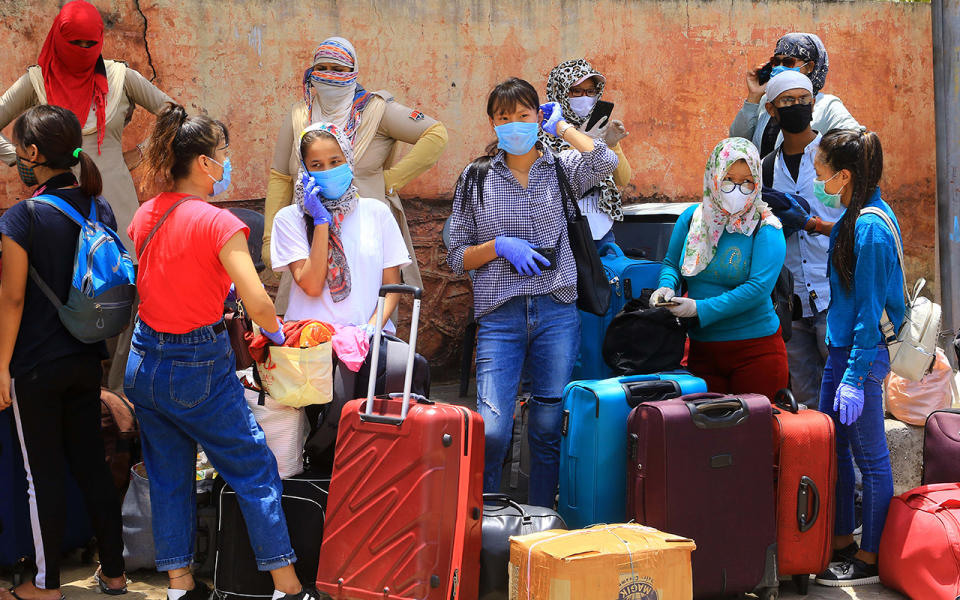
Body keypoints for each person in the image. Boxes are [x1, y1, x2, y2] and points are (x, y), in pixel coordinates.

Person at [123, 103, 312, 600]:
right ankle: (288, 588)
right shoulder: (217, 223)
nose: (226, 163)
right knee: (253, 468)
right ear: (205, 163)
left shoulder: (145, 214)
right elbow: (258, 302)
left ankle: (180, 586)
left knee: (168, 477)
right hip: (197, 365)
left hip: (144, 362)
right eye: (223, 153)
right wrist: (274, 337)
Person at [447, 77, 618, 508]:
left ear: (536, 116)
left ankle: (541, 517)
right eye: (504, 118)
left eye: (523, 115)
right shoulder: (476, 177)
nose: (514, 124)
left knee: (546, 425)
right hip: (500, 315)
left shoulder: (562, 167)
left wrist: (563, 128)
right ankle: (485, 519)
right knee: (493, 428)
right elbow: (455, 255)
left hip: (555, 310)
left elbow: (605, 161)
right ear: (492, 123)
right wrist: (498, 247)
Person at [0, 0, 175, 393]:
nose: (83, 49)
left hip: (116, 203)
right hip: (56, 206)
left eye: (90, 42)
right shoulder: (37, 81)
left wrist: (139, 155)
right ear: (57, 39)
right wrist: (20, 159)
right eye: (74, 41)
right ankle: (85, 395)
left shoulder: (121, 77)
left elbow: (173, 115)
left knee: (125, 295)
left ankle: (121, 397)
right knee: (67, 297)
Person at [0, 105, 127, 600]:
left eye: (20, 154)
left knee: (42, 476)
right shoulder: (100, 206)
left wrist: (1, 367)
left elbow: (11, 298)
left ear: (33, 154)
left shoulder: (22, 216)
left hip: (34, 367)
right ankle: (115, 575)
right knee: (91, 466)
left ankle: (46, 584)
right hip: (84, 358)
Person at [263, 36, 447, 311]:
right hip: (307, 234)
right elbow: (281, 176)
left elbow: (435, 134)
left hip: (363, 235)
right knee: (305, 315)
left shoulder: (376, 110)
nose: (328, 75)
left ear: (354, 72)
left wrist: (389, 181)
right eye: (321, 68)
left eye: (338, 69)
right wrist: (269, 238)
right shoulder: (300, 115)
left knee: (365, 316)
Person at [813, 130, 901, 587]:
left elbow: (870, 311)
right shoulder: (853, 217)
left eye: (821, 169)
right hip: (841, 351)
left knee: (871, 457)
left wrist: (856, 374)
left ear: (844, 175)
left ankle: (872, 558)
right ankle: (843, 539)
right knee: (837, 452)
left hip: (860, 356)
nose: (816, 176)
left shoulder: (869, 227)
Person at [651, 137, 787, 402]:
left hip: (755, 351)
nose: (738, 189)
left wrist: (699, 309)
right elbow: (671, 264)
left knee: (753, 437)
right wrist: (666, 285)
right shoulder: (692, 218)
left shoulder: (767, 228)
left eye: (747, 181)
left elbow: (757, 290)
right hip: (701, 351)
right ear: (714, 176)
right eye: (729, 179)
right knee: (704, 438)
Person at [759, 70, 846, 408]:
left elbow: (856, 223)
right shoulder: (767, 166)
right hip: (790, 299)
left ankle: (847, 460)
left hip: (833, 292)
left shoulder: (835, 157)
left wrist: (812, 223)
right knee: (806, 398)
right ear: (772, 110)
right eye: (787, 101)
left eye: (803, 100)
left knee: (843, 391)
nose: (797, 106)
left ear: (813, 103)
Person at [269, 122, 411, 328]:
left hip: (365, 342)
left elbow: (391, 286)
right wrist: (320, 222)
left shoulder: (377, 213)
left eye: (335, 161)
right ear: (305, 170)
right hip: (310, 344)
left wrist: (370, 329)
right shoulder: (289, 219)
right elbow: (312, 285)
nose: (327, 171)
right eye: (316, 165)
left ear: (349, 159)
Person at [542, 59, 632, 246]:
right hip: (564, 235)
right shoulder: (544, 132)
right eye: (576, 91)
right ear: (560, 91)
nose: (585, 97)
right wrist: (581, 140)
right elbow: (555, 176)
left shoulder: (599, 129)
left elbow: (622, 180)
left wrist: (612, 145)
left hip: (602, 233)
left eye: (590, 91)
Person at [729, 32, 859, 157]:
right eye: (776, 62)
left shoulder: (826, 105)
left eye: (787, 62)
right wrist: (754, 96)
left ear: (810, 67)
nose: (780, 67)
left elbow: (856, 139)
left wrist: (820, 160)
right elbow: (737, 144)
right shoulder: (767, 102)